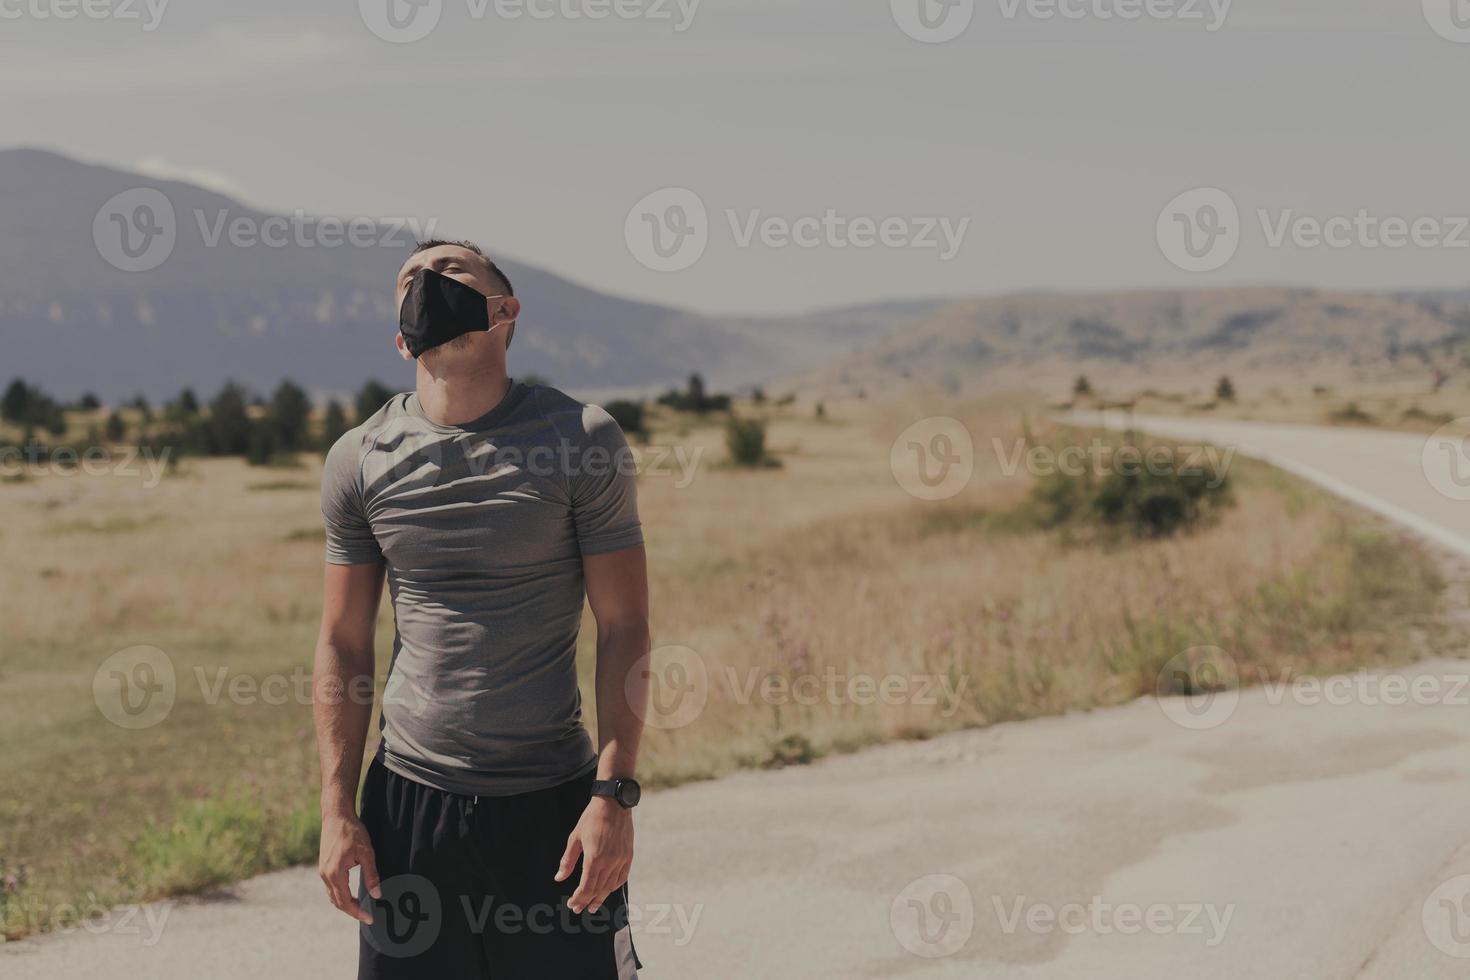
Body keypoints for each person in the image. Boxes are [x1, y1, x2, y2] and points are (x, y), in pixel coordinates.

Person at [312, 239, 649, 979]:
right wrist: (338, 809)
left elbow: (624, 627)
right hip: (408, 811)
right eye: (411, 280)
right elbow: (343, 641)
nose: (429, 282)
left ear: (506, 310)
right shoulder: (359, 457)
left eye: (453, 271)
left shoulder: (580, 440)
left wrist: (614, 796)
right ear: (402, 336)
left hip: (553, 810)